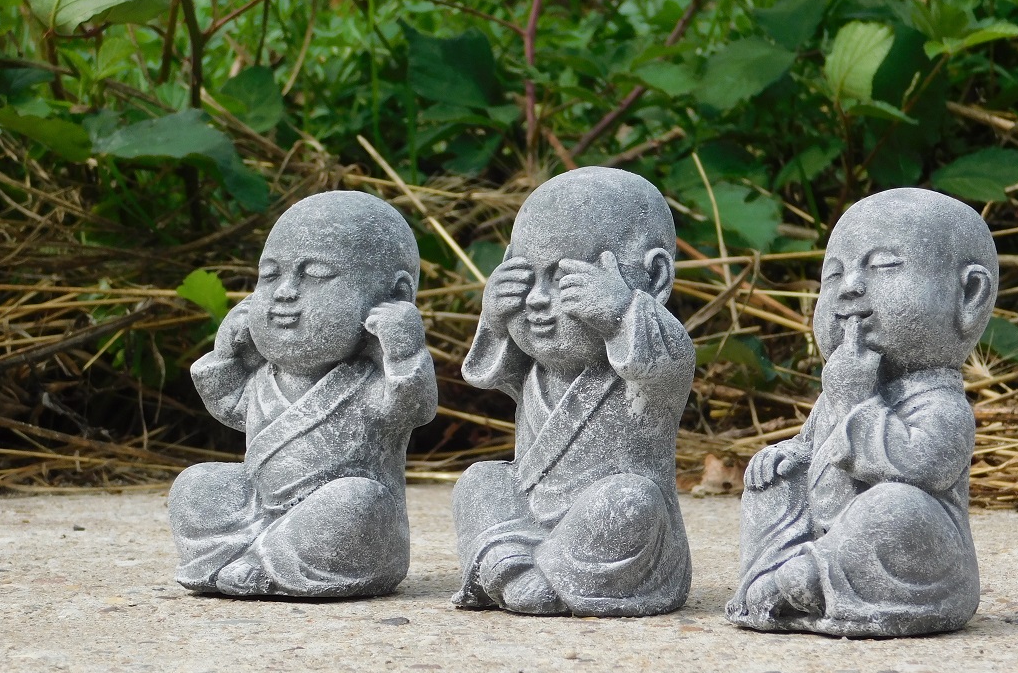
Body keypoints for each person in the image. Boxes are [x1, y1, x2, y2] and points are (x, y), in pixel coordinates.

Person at [727, 188, 998, 637]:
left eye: (884, 266)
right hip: (829, 527)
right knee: (772, 485)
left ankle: (809, 581)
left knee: (897, 506)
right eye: (833, 275)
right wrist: (790, 456)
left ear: (968, 296)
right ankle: (774, 579)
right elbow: (814, 446)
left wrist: (857, 400)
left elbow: (922, 467)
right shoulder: (837, 391)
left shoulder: (940, 403)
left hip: (910, 553)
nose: (849, 286)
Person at [168, 191, 437, 598]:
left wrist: (404, 352)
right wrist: (225, 355)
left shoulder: (368, 381)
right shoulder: (265, 377)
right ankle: (238, 555)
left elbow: (412, 408)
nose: (284, 292)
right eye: (269, 275)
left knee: (356, 501)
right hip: (261, 507)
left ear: (394, 297)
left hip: (341, 520)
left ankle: (262, 561)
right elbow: (229, 406)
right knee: (196, 484)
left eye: (315, 274)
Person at [452, 167, 693, 617]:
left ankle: (550, 577)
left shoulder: (651, 354)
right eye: (524, 277)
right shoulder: (533, 368)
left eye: (564, 278)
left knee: (628, 501)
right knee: (480, 480)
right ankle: (510, 566)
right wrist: (495, 322)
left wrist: (620, 312)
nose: (537, 299)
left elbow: (663, 365)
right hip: (529, 515)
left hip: (606, 523)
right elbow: (487, 375)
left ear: (654, 278)